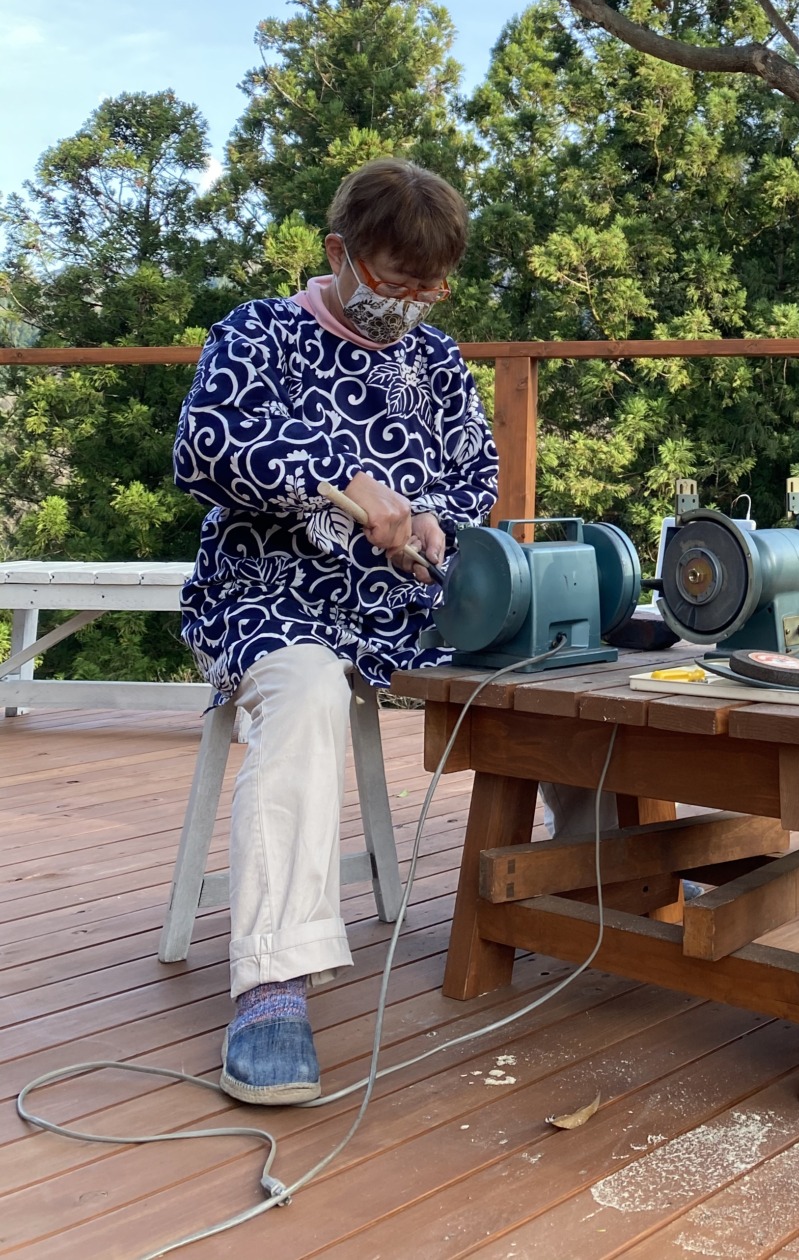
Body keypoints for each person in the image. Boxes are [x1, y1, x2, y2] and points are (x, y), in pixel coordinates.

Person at [174, 158, 499, 1105]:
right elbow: (205, 450)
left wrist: (438, 520)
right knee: (309, 689)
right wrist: (337, 482)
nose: (414, 306)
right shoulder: (259, 334)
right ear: (340, 254)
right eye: (397, 285)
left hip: (401, 604)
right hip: (268, 594)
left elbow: (472, 474)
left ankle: (587, 888)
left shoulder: (436, 362)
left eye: (431, 288)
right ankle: (271, 986)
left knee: (561, 655)